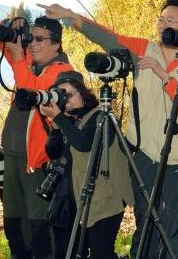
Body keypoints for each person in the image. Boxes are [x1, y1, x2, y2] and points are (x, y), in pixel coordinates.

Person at [38, 0, 178, 259]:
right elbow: (109, 37)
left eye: (170, 21)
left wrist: (165, 77)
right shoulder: (144, 49)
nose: (162, 25)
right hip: (143, 157)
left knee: (177, 228)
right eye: (160, 20)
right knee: (146, 222)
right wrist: (71, 16)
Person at [0, 16, 74, 259]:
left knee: (39, 227)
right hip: (13, 156)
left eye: (39, 39)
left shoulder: (63, 72)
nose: (32, 44)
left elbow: (31, 90)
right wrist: (13, 28)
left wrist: (20, 59)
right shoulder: (32, 65)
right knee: (14, 225)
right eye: (31, 38)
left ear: (57, 43)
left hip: (38, 162)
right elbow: (6, 47)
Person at [40, 71, 134, 259]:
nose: (66, 100)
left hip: (107, 199)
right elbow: (53, 152)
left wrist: (59, 117)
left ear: (84, 94)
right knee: (77, 252)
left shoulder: (102, 117)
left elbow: (84, 143)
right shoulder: (70, 121)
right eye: (61, 95)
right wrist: (56, 127)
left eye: (70, 94)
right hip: (80, 200)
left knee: (101, 252)